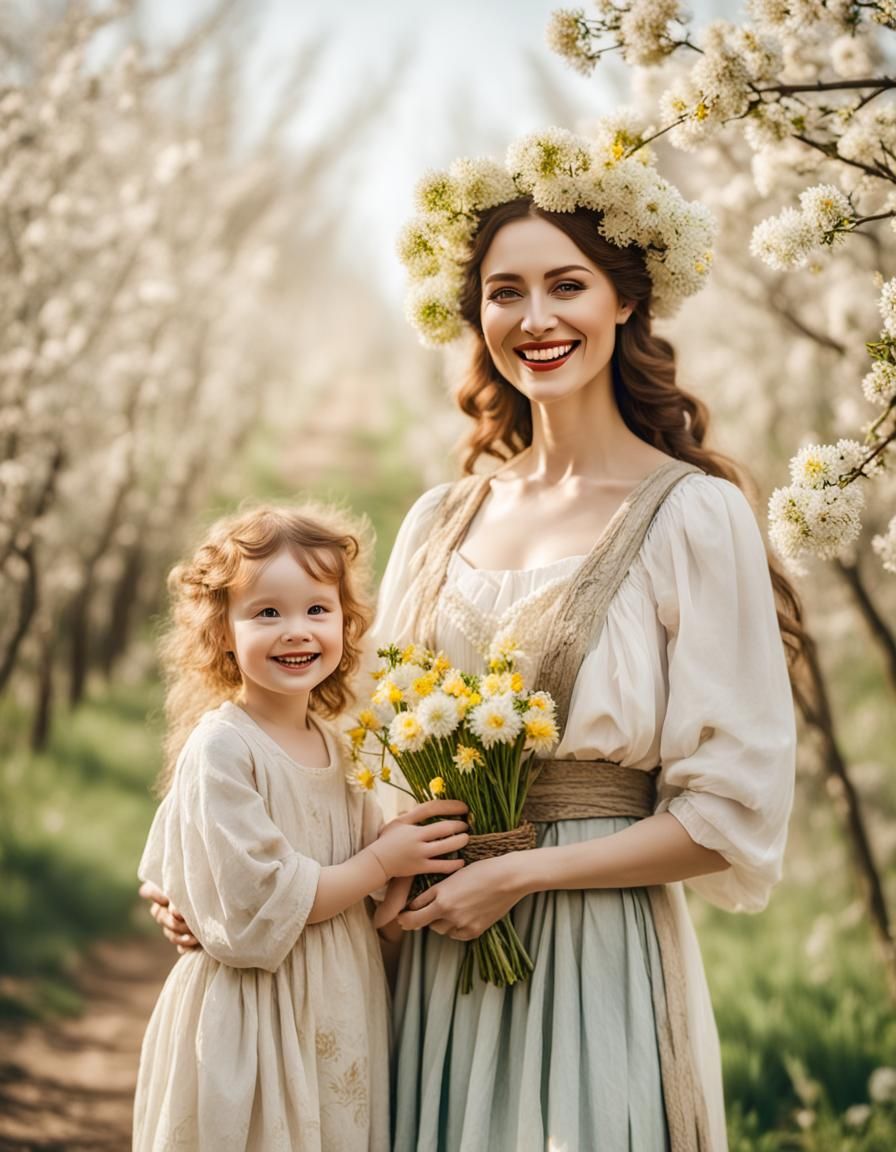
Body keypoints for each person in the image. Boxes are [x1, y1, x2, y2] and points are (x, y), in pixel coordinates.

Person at [145, 122, 801, 1151]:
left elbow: (729, 815)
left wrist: (517, 873)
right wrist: (207, 870)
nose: (534, 319)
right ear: (476, 312)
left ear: (626, 300)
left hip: (590, 956)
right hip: (427, 963)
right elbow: (347, 753)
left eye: (566, 285)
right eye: (505, 291)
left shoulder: (693, 517)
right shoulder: (438, 520)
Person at [133, 503, 468, 1152]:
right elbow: (265, 902)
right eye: (267, 613)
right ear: (222, 631)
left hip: (339, 1006)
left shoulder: (341, 750)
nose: (296, 631)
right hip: (256, 1018)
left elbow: (375, 910)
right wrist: (381, 862)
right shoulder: (223, 749)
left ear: (345, 622)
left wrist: (410, 860)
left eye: (317, 609)